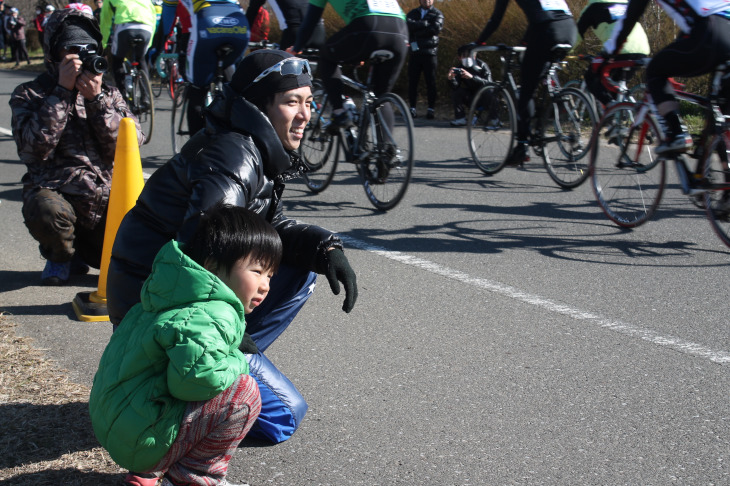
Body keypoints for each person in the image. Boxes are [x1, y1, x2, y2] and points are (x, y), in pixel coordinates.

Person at [107, 49, 357, 441]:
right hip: (153, 306)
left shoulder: (253, 147)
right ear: (260, 104)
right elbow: (202, 245)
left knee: (298, 271)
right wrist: (222, 334)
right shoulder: (234, 154)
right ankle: (173, 408)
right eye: (292, 101)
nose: (306, 114)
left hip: (169, 296)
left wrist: (325, 247)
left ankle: (207, 374)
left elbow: (260, 230)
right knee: (283, 417)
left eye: (309, 102)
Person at [91, 204, 276, 486]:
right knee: (244, 393)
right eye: (257, 271)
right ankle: (192, 478)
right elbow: (194, 382)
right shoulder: (213, 312)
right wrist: (238, 360)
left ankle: (150, 472)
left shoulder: (168, 291)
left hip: (117, 424)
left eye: (270, 276)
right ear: (213, 266)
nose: (265, 285)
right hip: (141, 441)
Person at [9, 7, 143, 286]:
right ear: (54, 52)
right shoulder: (30, 93)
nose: (82, 57)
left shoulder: (109, 93)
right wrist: (61, 91)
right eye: (73, 49)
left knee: (147, 232)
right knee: (47, 209)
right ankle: (61, 256)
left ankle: (92, 254)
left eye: (89, 49)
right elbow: (33, 149)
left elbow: (127, 145)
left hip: (104, 201)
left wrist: (96, 101)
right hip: (59, 196)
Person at [604, 0, 730, 155]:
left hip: (712, 30)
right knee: (720, 117)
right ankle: (714, 163)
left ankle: (677, 133)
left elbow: (631, 16)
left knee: (655, 70)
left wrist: (608, 53)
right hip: (722, 27)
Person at [474, 0, 577, 165]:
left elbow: (495, 20)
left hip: (546, 30)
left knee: (526, 92)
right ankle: (546, 114)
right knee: (539, 73)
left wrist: (479, 42)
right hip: (569, 29)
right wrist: (523, 43)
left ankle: (522, 147)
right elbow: (540, 17)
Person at [288, 0, 408, 132]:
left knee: (326, 57)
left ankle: (339, 111)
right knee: (380, 97)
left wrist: (296, 49)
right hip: (401, 32)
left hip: (368, 27)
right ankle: (386, 150)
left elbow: (310, 23)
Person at [161, 0, 249, 137]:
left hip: (207, 23)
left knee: (197, 90)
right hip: (240, 24)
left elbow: (168, 12)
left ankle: (195, 152)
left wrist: (160, 43)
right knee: (234, 89)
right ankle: (239, 135)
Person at [575, 0, 650, 107]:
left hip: (620, 50)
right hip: (642, 49)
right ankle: (618, 115)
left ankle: (610, 109)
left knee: (590, 78)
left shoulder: (592, 7)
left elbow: (576, 36)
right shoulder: (624, 2)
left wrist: (563, 53)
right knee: (615, 88)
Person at [99, 0, 157, 98]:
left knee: (117, 61)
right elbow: (153, 17)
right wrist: (150, 43)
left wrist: (102, 45)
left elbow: (105, 21)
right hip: (146, 28)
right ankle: (146, 96)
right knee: (141, 59)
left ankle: (122, 96)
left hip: (125, 27)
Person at [406, 0, 444, 120]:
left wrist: (417, 29)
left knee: (431, 82)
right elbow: (407, 25)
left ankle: (431, 109)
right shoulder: (412, 13)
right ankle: (412, 108)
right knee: (413, 82)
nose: (426, 1)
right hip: (415, 52)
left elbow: (435, 29)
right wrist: (425, 24)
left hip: (430, 53)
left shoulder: (437, 14)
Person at [245, 0, 326, 51]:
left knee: (279, 73)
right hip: (319, 30)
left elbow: (252, 12)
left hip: (294, 31)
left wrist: (243, 34)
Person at [447, 44, 492, 126]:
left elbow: (490, 84)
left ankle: (494, 119)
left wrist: (472, 77)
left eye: (470, 56)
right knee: (457, 92)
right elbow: (455, 87)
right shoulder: (460, 68)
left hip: (485, 97)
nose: (467, 59)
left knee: (489, 91)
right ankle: (460, 119)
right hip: (472, 97)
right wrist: (451, 78)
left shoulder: (482, 65)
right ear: (459, 58)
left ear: (474, 57)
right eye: (464, 56)